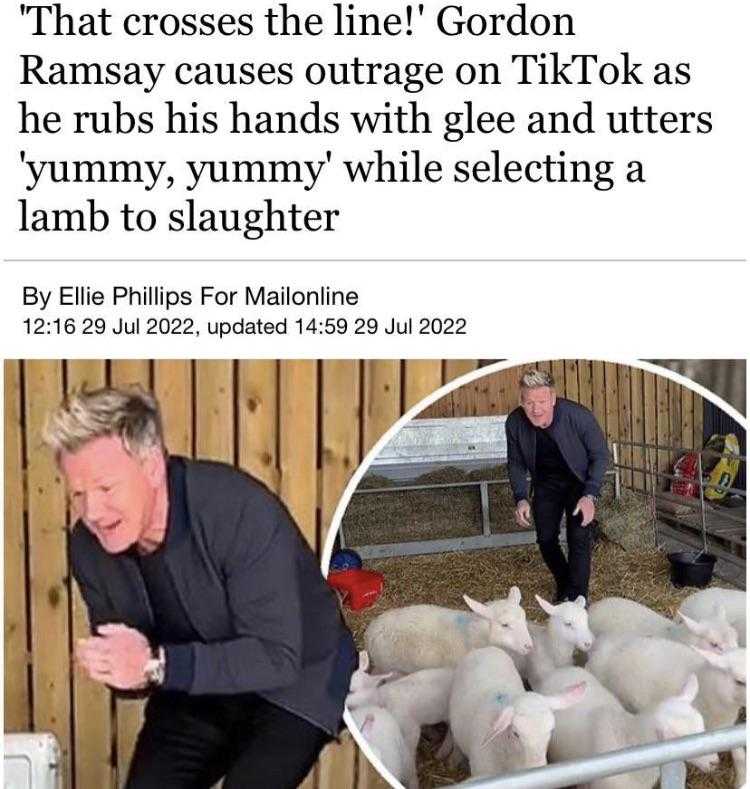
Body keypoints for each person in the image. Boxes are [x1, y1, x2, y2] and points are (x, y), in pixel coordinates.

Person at [43, 387, 357, 789]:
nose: (94, 513)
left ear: (152, 466)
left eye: (106, 489)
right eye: (78, 495)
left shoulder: (238, 510)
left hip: (297, 675)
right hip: (197, 683)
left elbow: (276, 657)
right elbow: (140, 669)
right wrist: (120, 666)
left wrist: (156, 665)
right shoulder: (89, 546)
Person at [505, 369, 609, 603]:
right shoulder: (514, 422)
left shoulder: (578, 416)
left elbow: (601, 455)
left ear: (552, 398)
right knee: (545, 539)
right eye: (529, 402)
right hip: (545, 483)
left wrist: (590, 495)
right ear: (521, 401)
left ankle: (577, 601)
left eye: (541, 401)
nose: (536, 408)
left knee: (578, 537)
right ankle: (565, 585)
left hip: (578, 482)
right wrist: (521, 497)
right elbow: (515, 462)